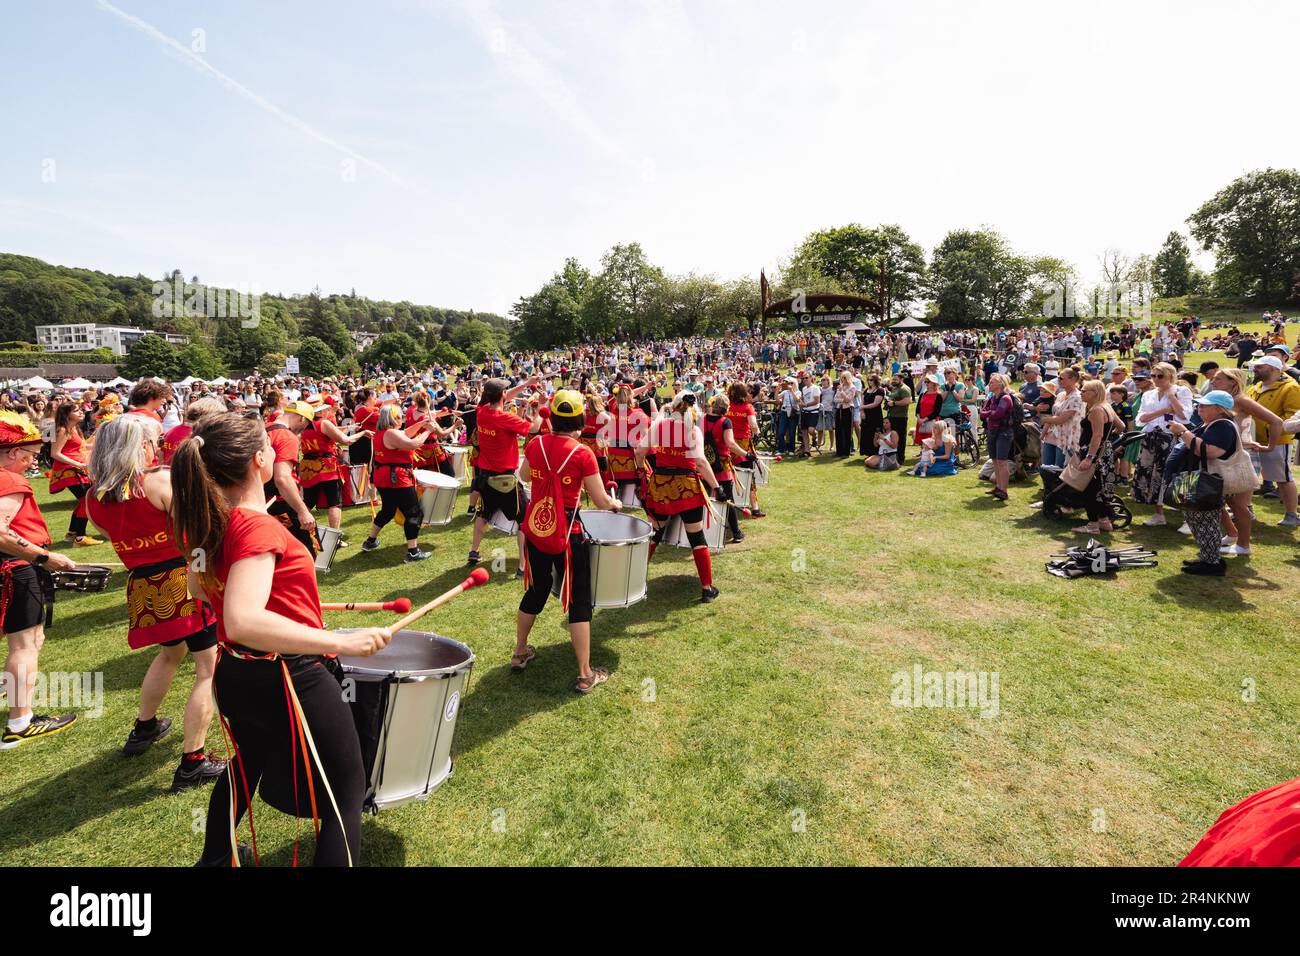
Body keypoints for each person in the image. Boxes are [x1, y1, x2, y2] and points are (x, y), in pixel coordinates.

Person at [174, 412, 391, 867]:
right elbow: (243, 618)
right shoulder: (258, 528)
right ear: (258, 460)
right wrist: (344, 643)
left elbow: (200, 591)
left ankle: (214, 860)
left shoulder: (211, 521)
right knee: (344, 793)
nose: (276, 449)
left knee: (247, 763)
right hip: (288, 675)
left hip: (238, 674)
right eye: (270, 446)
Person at [85, 414, 226, 790]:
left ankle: (144, 727)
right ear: (139, 447)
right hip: (183, 579)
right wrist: (204, 574)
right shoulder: (157, 482)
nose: (156, 448)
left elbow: (111, 535)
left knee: (169, 654)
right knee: (207, 670)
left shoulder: (93, 496)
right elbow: (196, 534)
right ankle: (193, 760)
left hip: (144, 586)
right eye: (151, 442)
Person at [513, 391, 623, 693]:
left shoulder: (535, 444)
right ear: (579, 419)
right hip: (567, 536)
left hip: (537, 529)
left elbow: (522, 475)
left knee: (536, 590)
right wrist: (615, 505)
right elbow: (601, 501)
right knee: (579, 601)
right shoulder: (582, 453)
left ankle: (520, 652)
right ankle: (586, 674)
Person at [0, 411, 79, 749]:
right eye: (31, 455)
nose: (34, 462)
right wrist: (45, 557)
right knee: (25, 645)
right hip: (15, 567)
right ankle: (20, 721)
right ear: (14, 453)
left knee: (29, 641)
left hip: (14, 566)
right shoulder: (10, 481)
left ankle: (14, 693)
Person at [638, 392, 722, 602]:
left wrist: (642, 472)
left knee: (655, 533)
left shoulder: (659, 426)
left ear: (673, 407)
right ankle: (707, 588)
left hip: (661, 486)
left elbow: (639, 451)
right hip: (687, 487)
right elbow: (701, 462)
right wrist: (716, 486)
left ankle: (634, 580)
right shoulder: (693, 431)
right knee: (697, 537)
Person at [1168, 392, 1249, 576]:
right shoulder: (1212, 423)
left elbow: (1212, 451)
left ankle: (1212, 563)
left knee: (1206, 520)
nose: (1199, 408)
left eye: (1205, 406)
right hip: (1197, 478)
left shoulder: (1223, 426)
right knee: (1195, 518)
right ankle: (1207, 557)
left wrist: (1183, 432)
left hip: (1207, 480)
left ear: (1219, 410)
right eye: (1200, 405)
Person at [467, 377, 542, 570]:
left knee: (484, 514)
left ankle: (473, 552)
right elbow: (533, 429)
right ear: (501, 396)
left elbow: (504, 397)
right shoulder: (505, 419)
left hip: (485, 476)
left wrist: (526, 384)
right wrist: (542, 407)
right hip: (506, 479)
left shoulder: (481, 412)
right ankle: (523, 566)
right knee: (524, 521)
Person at [1211, 367, 1281, 557]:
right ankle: (1233, 534)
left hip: (1244, 456)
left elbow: (1275, 421)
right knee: (1223, 498)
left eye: (1218, 379)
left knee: (1238, 503)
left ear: (1233, 382)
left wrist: (1270, 447)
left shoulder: (1242, 400)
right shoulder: (1223, 400)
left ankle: (1244, 545)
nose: (1213, 381)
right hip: (1226, 455)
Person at [359, 404, 434, 561]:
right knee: (413, 512)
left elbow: (405, 434)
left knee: (388, 510)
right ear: (393, 418)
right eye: (400, 417)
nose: (402, 419)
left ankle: (370, 541)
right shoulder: (390, 433)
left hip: (384, 477)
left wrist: (420, 424)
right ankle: (413, 551)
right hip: (397, 478)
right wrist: (428, 431)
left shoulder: (383, 432)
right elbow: (412, 443)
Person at [300, 402, 370, 544]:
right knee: (334, 503)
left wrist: (350, 427)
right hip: (326, 468)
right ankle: (335, 539)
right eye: (325, 409)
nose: (328, 411)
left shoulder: (304, 425)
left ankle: (299, 533)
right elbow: (346, 440)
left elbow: (332, 431)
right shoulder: (324, 423)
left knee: (307, 503)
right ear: (319, 412)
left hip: (308, 468)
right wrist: (363, 433)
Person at [1132, 362, 1192, 527]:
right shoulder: (1148, 394)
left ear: (1170, 376)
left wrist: (1171, 396)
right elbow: (1140, 419)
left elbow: (1184, 416)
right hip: (1151, 437)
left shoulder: (1181, 391)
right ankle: (1159, 513)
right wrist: (1164, 410)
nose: (1156, 379)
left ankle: (1188, 517)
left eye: (1160, 376)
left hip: (1172, 438)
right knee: (1152, 475)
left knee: (1175, 475)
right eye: (1153, 376)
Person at [1246, 356, 1300, 527]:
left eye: (1260, 367)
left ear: (1274, 368)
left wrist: (1271, 430)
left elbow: (1293, 415)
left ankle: (1292, 514)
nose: (1255, 369)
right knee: (1249, 477)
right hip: (1254, 439)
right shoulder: (1256, 387)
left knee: (1283, 478)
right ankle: (1247, 509)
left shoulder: (1291, 388)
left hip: (1277, 441)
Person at [263, 400, 321, 556]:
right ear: (302, 418)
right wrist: (303, 511)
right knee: (306, 553)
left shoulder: (265, 428)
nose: (304, 429)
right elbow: (282, 478)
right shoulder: (287, 437)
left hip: (262, 502)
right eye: (306, 424)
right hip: (281, 504)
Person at [1069, 380, 1124, 535]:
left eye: (1085, 390)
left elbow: (1097, 435)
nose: (1081, 392)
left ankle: (1093, 524)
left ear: (1095, 392)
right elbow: (1121, 427)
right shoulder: (1107, 407)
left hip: (1094, 454)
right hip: (1104, 453)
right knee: (1098, 489)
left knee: (1088, 490)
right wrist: (1108, 440)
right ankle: (1104, 520)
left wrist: (1089, 457)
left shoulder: (1096, 410)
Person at [48, 402, 100, 546]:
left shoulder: (75, 428)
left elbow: (82, 446)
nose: (81, 412)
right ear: (67, 414)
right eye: (76, 410)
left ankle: (72, 534)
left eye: (80, 410)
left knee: (85, 500)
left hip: (77, 469)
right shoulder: (63, 430)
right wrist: (78, 464)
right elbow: (55, 453)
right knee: (87, 500)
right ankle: (80, 537)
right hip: (68, 471)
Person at [702, 394, 747, 543]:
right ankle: (736, 533)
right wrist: (746, 454)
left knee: (704, 499)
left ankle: (704, 532)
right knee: (728, 500)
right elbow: (731, 444)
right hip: (721, 468)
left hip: (705, 467)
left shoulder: (702, 419)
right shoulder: (725, 422)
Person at [979, 373, 1015, 501]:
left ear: (1000, 384)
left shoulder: (1006, 398)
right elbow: (982, 414)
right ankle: (998, 487)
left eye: (992, 381)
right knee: (994, 460)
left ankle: (1004, 491)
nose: (989, 383)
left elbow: (998, 414)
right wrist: (989, 413)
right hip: (992, 431)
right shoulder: (992, 397)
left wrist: (988, 413)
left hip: (1004, 432)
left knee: (1002, 461)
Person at [885, 373, 912, 465]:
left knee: (900, 439)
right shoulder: (895, 388)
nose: (893, 381)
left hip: (900, 417)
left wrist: (894, 403)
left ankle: (900, 458)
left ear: (901, 379)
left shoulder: (905, 388)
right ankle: (892, 457)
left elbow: (907, 401)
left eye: (896, 379)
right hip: (892, 416)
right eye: (893, 379)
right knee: (892, 437)